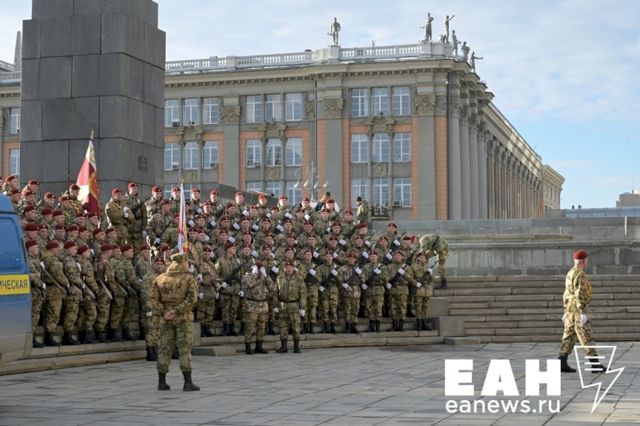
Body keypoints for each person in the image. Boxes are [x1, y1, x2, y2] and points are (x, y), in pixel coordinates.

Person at [151, 252, 200, 391]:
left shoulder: (160, 278)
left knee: (164, 348)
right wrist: (176, 311)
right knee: (184, 349)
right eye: (186, 262)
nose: (188, 264)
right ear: (183, 262)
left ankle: (161, 382)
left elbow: (153, 299)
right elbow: (191, 299)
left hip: (165, 319)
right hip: (183, 318)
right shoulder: (189, 278)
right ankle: (187, 382)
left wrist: (165, 312)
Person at [558, 250, 607, 373]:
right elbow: (581, 294)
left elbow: (566, 294)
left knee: (569, 335)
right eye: (587, 260)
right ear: (583, 261)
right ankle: (595, 364)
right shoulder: (580, 275)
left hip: (570, 310)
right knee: (586, 335)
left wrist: (565, 310)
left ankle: (561, 362)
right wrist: (582, 311)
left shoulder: (570, 273)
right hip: (577, 310)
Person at [240, 262, 275, 354]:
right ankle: (248, 347)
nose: (259, 270)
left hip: (263, 305)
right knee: (250, 327)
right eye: (258, 268)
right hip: (252, 304)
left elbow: (272, 287)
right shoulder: (247, 276)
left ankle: (259, 346)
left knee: (261, 327)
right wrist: (254, 274)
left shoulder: (264, 277)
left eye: (261, 268)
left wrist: (266, 276)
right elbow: (249, 284)